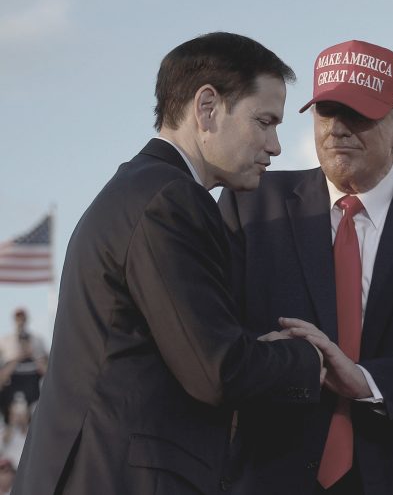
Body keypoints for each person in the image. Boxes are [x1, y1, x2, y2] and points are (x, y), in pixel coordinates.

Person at [12, 32, 324, 495]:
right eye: (264, 121)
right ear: (207, 108)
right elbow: (213, 370)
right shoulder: (170, 200)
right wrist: (306, 358)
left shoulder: (140, 189)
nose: (275, 145)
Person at [219, 39, 393, 494]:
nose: (337, 129)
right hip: (270, 474)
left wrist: (367, 380)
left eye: (358, 113)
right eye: (326, 112)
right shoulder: (252, 205)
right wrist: (280, 358)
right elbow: (211, 330)